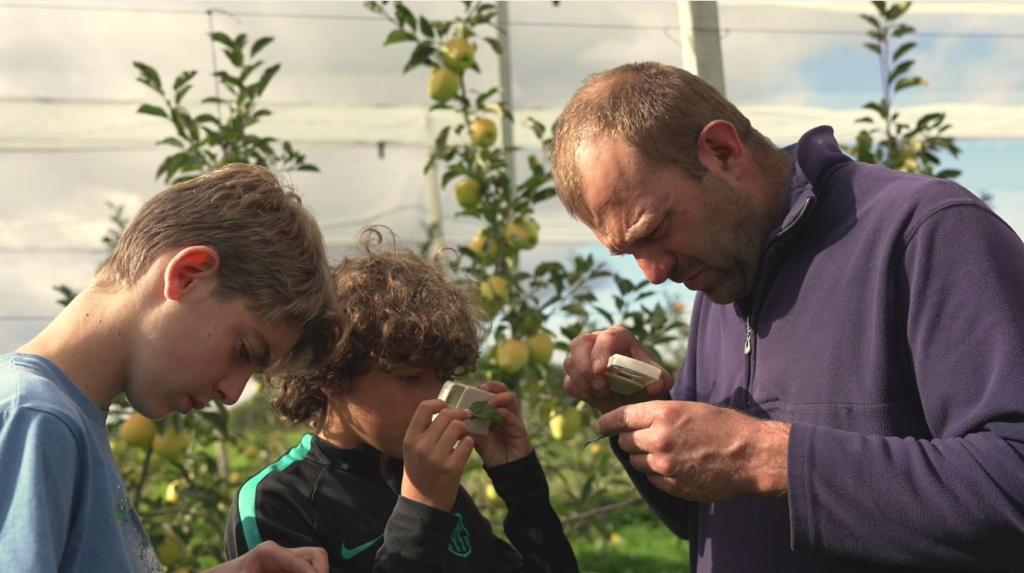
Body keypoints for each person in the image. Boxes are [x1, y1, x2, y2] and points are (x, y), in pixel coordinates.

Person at [551, 61, 1024, 571]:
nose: (653, 272)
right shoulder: (721, 285)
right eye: (628, 252)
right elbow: (709, 521)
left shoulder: (925, 233)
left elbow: (1011, 483)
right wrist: (648, 419)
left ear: (722, 151)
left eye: (656, 226)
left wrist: (761, 456)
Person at [1, 163, 343, 573]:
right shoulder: (37, 421)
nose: (232, 394)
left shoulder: (66, 420)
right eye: (243, 350)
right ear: (187, 275)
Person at [224, 229, 578, 573]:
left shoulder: (428, 484)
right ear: (332, 374)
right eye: (410, 378)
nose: (438, 400)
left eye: (444, 377)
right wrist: (420, 512)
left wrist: (519, 482)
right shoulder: (276, 503)